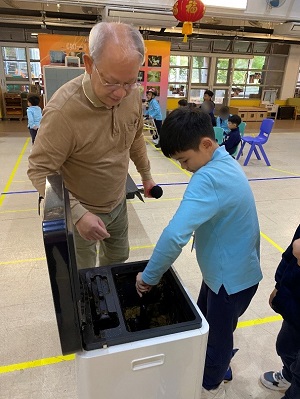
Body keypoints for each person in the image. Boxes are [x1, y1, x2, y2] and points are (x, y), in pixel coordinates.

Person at [136, 107, 262, 399]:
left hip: (228, 281)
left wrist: (149, 277)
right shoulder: (226, 162)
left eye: (184, 159)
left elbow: (174, 235)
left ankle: (210, 385)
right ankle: (217, 364)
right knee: (208, 324)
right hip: (234, 272)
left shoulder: (207, 179)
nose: (183, 167)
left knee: (216, 339)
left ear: (206, 144)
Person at [28, 22, 156, 269]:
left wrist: (146, 176)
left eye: (129, 82)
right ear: (89, 65)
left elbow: (136, 137)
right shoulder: (63, 112)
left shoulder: (132, 96)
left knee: (118, 262)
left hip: (118, 203)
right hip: (81, 209)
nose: (121, 93)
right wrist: (77, 214)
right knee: (84, 274)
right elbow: (39, 170)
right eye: (111, 82)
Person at [260, 225, 300, 399]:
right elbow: (291, 251)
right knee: (284, 346)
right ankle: (289, 375)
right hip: (296, 305)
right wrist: (279, 285)